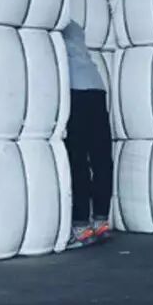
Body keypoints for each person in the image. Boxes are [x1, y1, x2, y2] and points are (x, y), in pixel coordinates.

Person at [62, 20, 114, 249]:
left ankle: (81, 225)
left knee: (78, 159)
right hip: (96, 86)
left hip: (75, 90)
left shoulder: (52, 21)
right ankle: (101, 221)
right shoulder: (73, 25)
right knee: (101, 157)